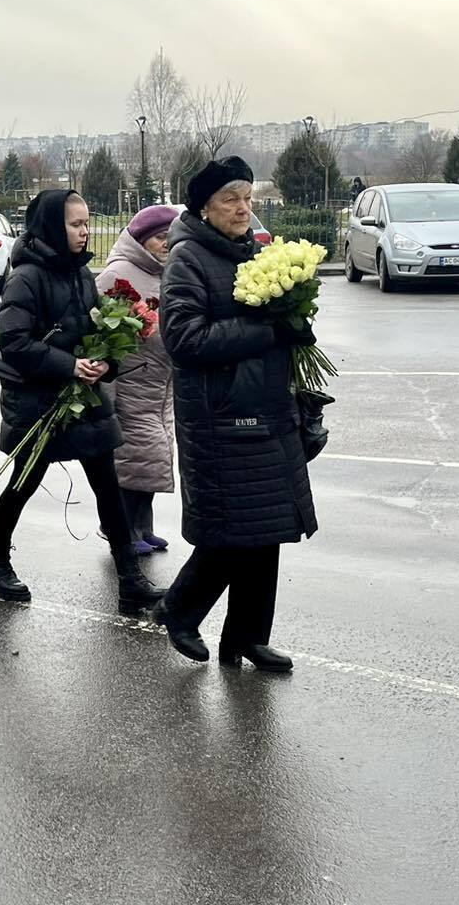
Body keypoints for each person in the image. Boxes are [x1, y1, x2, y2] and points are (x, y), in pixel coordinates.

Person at [154, 158, 317, 673]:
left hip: (265, 409)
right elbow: (183, 339)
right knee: (231, 533)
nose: (243, 208)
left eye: (247, 197)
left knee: (265, 528)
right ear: (204, 206)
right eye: (231, 199)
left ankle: (247, 637)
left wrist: (294, 325)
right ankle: (180, 611)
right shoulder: (188, 259)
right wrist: (270, 330)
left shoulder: (252, 252)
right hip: (220, 416)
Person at [0, 189, 165, 614]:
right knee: (23, 484)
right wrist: (69, 366)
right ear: (51, 226)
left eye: (87, 223)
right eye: (76, 224)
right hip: (38, 400)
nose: (85, 232)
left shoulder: (81, 274)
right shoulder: (26, 276)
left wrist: (105, 364)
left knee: (107, 484)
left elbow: (93, 332)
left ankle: (129, 578)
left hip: (82, 397)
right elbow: (12, 341)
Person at [94, 204, 177, 553]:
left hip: (160, 386)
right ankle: (122, 531)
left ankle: (143, 527)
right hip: (131, 384)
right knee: (133, 461)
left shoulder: (166, 272)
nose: (166, 244)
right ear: (143, 240)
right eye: (160, 238)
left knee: (153, 459)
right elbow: (99, 326)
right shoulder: (118, 274)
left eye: (171, 238)